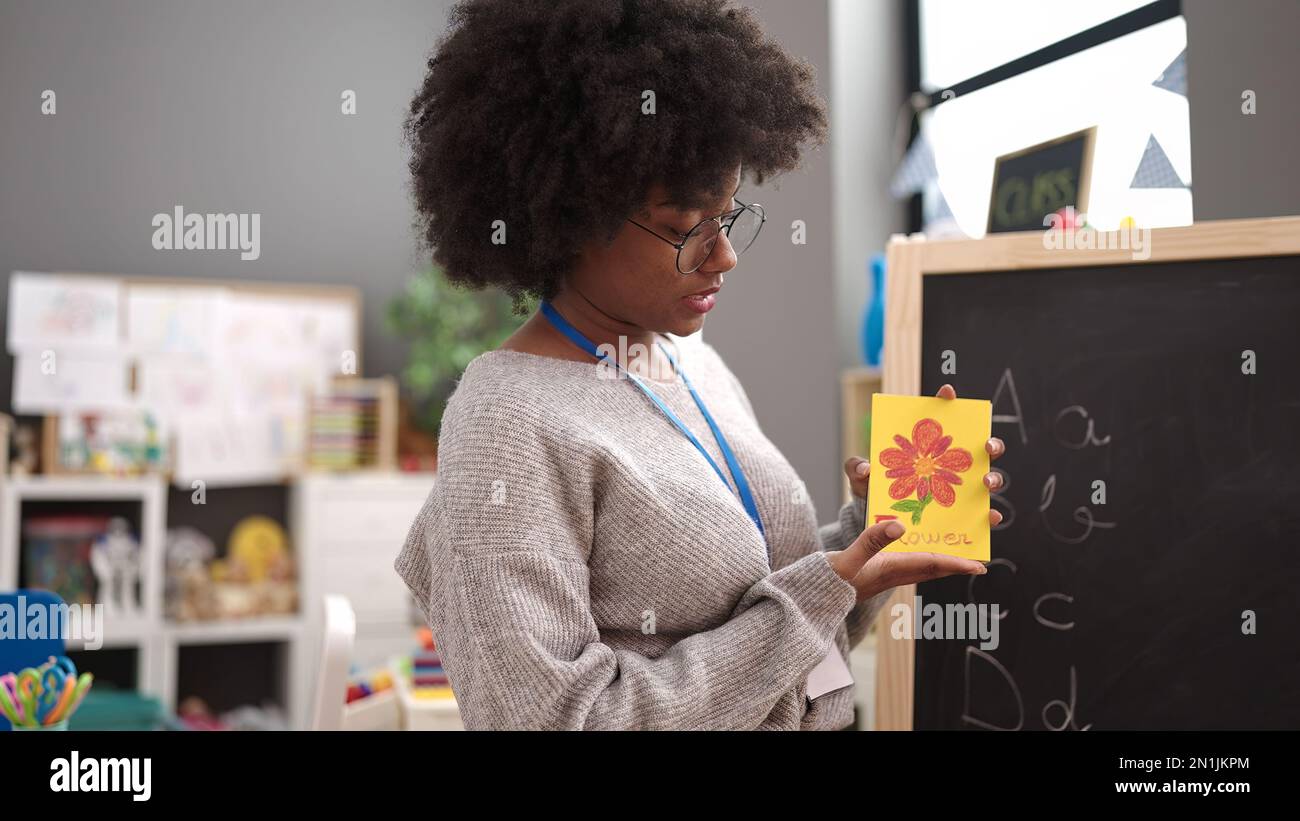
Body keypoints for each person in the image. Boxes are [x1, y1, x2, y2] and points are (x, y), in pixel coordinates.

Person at [394, 0, 1005, 730]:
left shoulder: (692, 363)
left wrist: (871, 540)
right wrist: (818, 591)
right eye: (686, 228)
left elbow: (784, 639)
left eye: (729, 214)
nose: (725, 254)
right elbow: (561, 719)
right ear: (570, 216)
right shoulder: (506, 421)